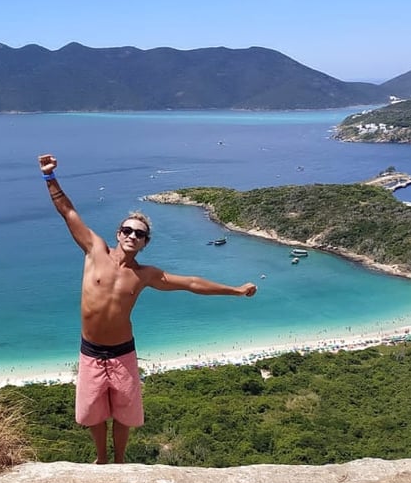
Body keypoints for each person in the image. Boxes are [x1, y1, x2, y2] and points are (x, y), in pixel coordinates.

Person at [38, 153, 257, 464]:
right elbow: (68, 212)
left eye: (139, 234)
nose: (132, 235)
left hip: (122, 353)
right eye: (127, 230)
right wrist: (49, 177)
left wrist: (234, 290)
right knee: (92, 412)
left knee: (125, 414)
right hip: (90, 351)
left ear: (144, 243)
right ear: (118, 234)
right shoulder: (94, 250)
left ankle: (120, 460)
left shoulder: (144, 275)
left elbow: (191, 283)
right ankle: (101, 459)